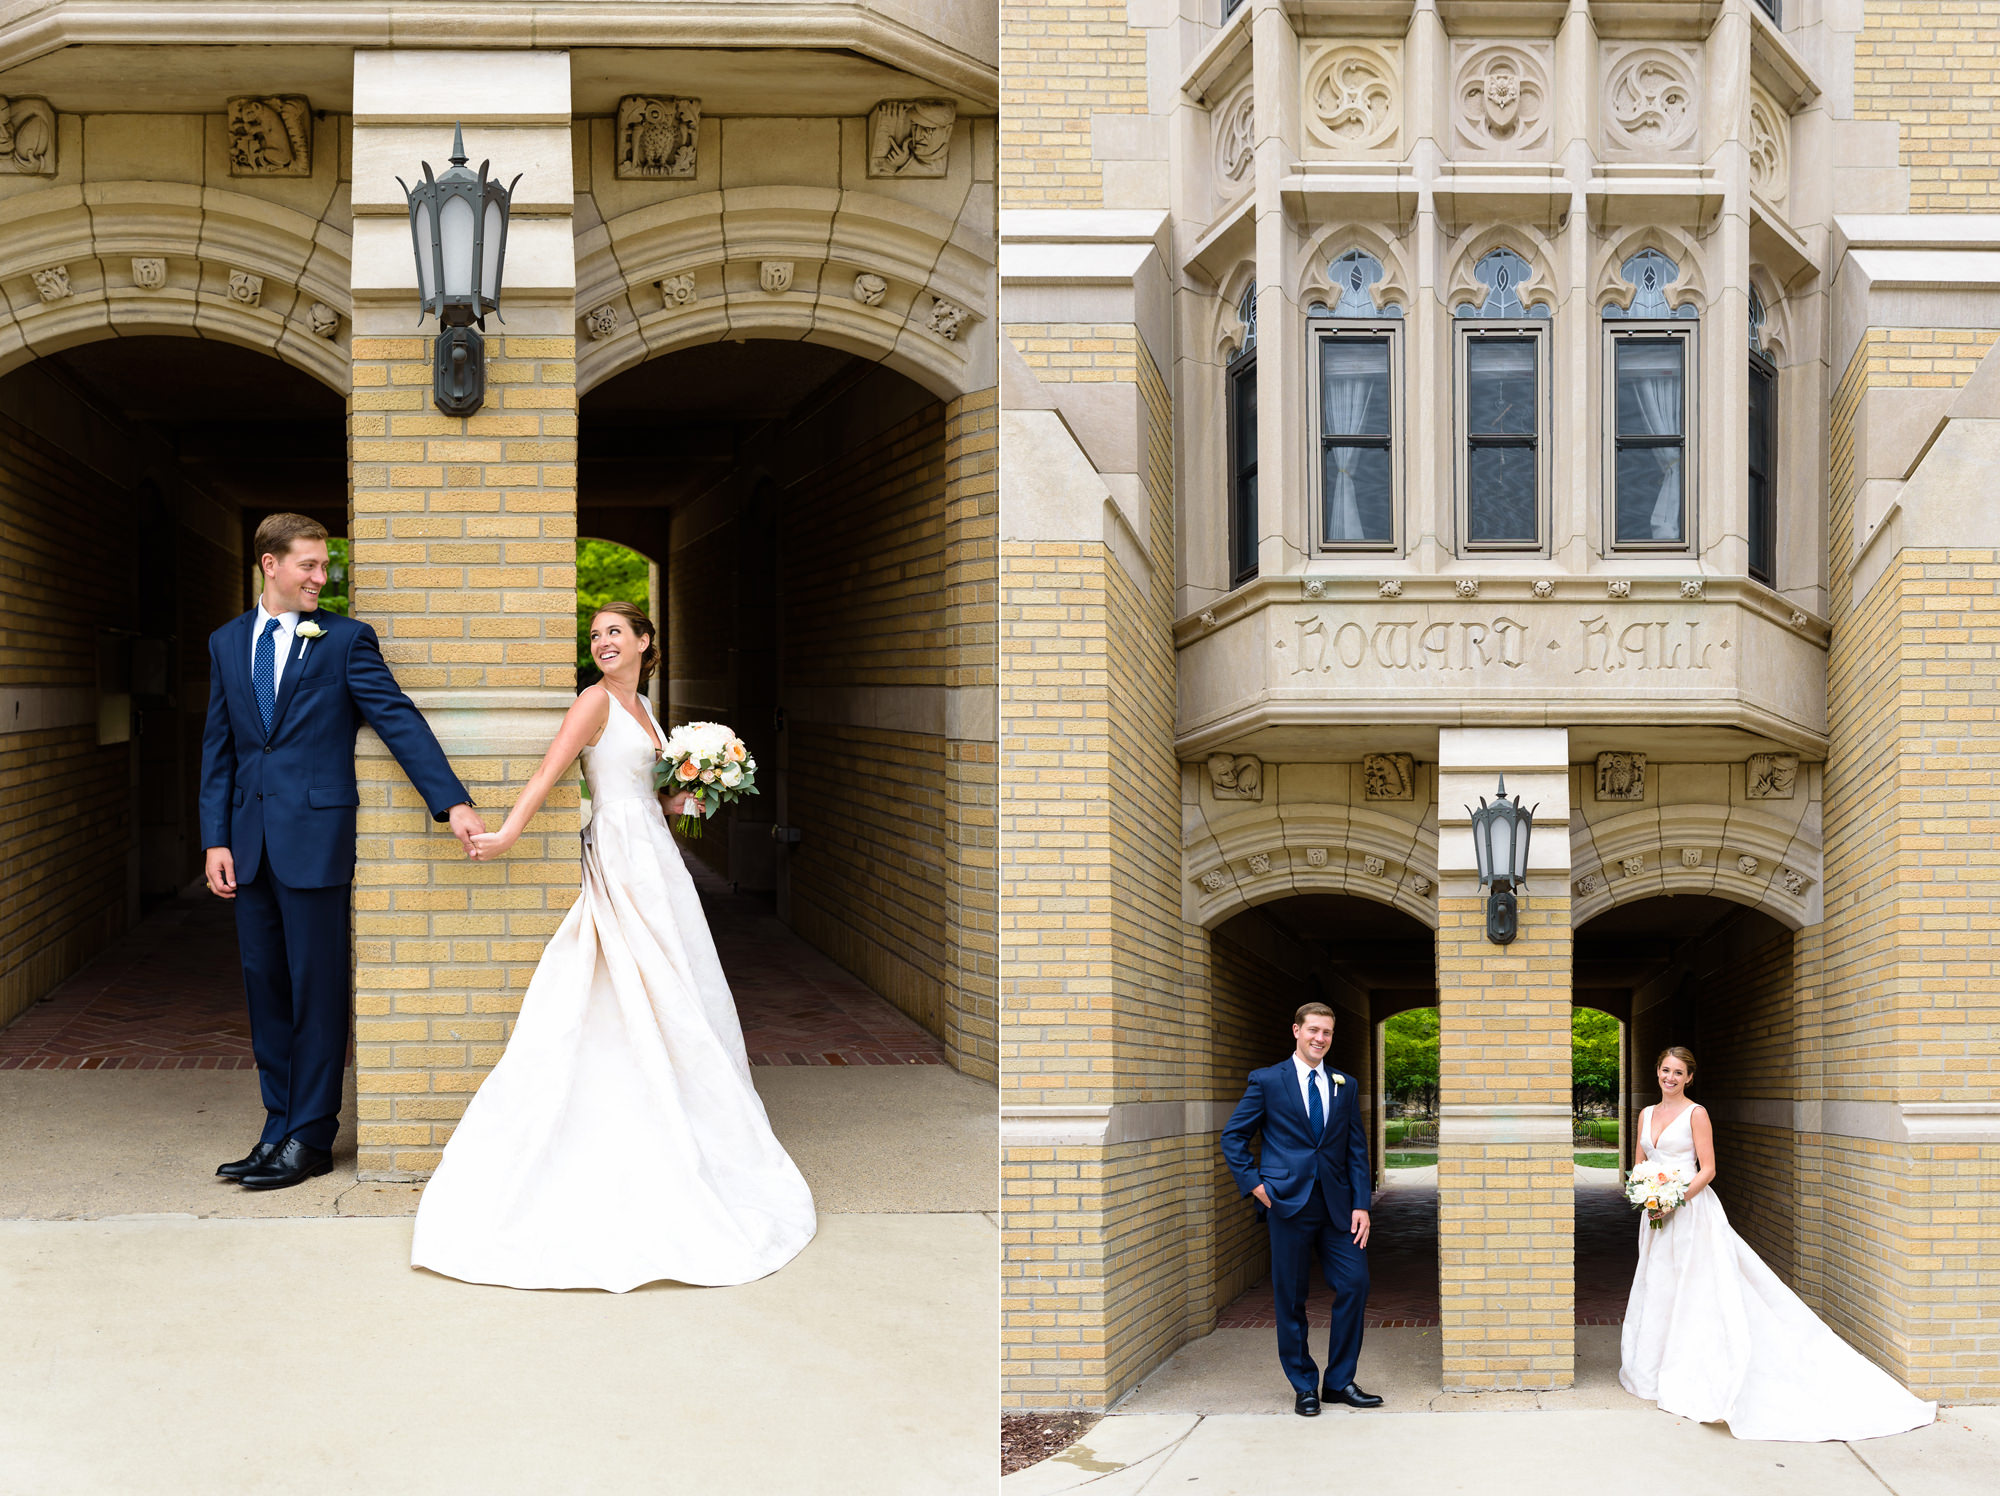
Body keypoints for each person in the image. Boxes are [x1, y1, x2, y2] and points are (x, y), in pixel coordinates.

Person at [409, 602, 816, 1290]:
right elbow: (551, 773)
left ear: (645, 643)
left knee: (678, 982)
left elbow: (655, 799)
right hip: (620, 856)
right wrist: (507, 832)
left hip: (656, 855)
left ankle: (689, 1108)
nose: (602, 642)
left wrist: (694, 789)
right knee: (632, 977)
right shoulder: (593, 703)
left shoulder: (647, 707)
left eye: (615, 633)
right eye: (595, 635)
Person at [201, 513, 484, 1191]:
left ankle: (312, 1136)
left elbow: (397, 718)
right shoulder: (225, 642)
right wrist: (215, 835)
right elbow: (221, 748)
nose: (320, 578)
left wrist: (452, 800)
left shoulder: (344, 641)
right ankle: (277, 1128)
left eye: (324, 566)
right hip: (248, 844)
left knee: (317, 991)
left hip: (316, 843)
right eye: (308, 565)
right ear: (270, 564)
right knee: (265, 987)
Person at [1620, 1046, 1936, 1440]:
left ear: (1689, 1078)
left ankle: (1695, 1370)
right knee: (1659, 1285)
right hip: (1655, 1215)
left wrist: (1674, 1200)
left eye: (1678, 1072)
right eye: (1665, 1070)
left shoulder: (1696, 1114)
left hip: (1689, 1212)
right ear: (1658, 1072)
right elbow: (1640, 1164)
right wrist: (1647, 1197)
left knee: (1694, 1287)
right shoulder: (1646, 1114)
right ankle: (1651, 1368)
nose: (1670, 1077)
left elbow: (1709, 1168)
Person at [1220, 1001, 1380, 1417]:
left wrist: (1362, 1203)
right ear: (1296, 1031)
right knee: (1291, 1297)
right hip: (1286, 1203)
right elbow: (1234, 1137)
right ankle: (1304, 1384)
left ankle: (1340, 1381)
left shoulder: (1345, 1083)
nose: (1319, 1039)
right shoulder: (1268, 1080)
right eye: (1313, 1030)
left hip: (1339, 1207)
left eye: (1326, 1032)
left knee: (1355, 1283)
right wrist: (1255, 1185)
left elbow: (1356, 1151)